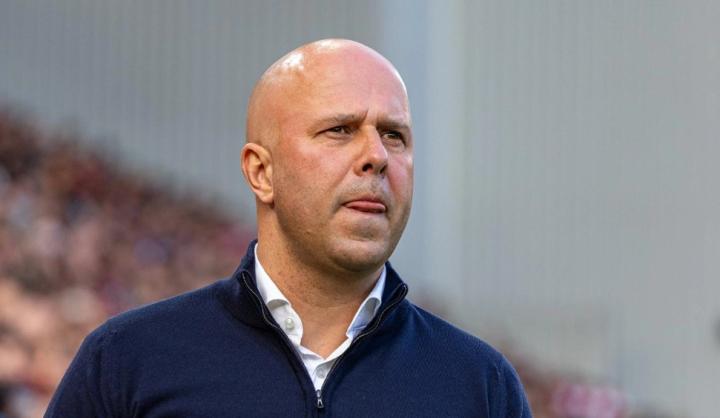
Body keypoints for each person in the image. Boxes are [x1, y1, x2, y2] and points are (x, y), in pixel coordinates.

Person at [45, 39, 532, 417]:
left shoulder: (480, 385)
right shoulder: (129, 362)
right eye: (340, 130)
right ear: (261, 172)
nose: (376, 156)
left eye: (394, 135)